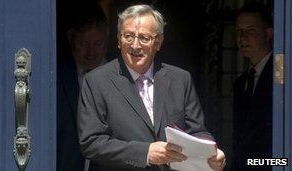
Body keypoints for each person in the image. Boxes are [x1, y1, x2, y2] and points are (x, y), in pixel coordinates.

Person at [77, 4, 225, 171]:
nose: (135, 45)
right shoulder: (96, 81)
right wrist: (145, 153)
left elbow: (197, 131)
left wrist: (212, 153)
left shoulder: (180, 79)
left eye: (144, 38)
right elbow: (91, 143)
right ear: (118, 40)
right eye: (128, 36)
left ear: (158, 42)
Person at [57, 6, 109, 171]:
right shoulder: (56, 76)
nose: (91, 52)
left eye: (98, 44)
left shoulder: (124, 75)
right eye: (83, 44)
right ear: (71, 40)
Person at [233, 2, 273, 171]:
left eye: (251, 31)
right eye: (239, 32)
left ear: (268, 33)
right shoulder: (241, 82)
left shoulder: (282, 75)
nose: (242, 38)